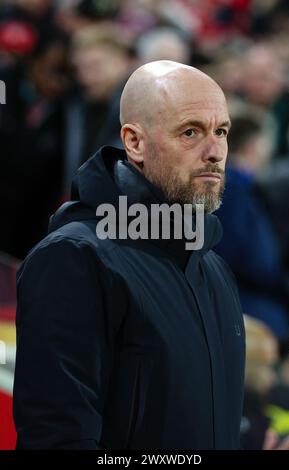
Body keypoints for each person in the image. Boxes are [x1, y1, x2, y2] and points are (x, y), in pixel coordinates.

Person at [13, 60, 245, 450]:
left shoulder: (214, 267)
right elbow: (57, 438)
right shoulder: (75, 258)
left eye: (221, 131)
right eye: (191, 132)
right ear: (134, 142)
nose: (214, 151)